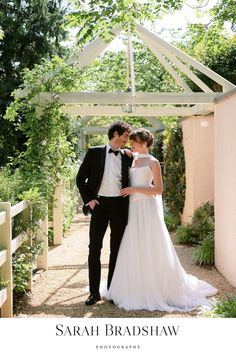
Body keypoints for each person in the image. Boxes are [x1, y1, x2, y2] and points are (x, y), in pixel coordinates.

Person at [105, 128, 217, 312]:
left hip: (146, 208)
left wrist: (134, 190)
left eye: (133, 141)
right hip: (132, 209)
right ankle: (134, 286)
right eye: (130, 141)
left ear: (143, 142)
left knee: (150, 245)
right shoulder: (131, 158)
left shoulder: (153, 162)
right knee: (134, 244)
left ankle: (155, 288)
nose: (130, 144)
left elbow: (158, 190)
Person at [76, 120, 132, 306]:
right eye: (125, 136)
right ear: (115, 134)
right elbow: (80, 179)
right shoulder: (95, 152)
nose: (127, 140)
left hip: (119, 206)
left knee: (116, 249)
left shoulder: (127, 156)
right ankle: (94, 293)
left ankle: (112, 291)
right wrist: (89, 200)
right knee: (94, 249)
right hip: (99, 205)